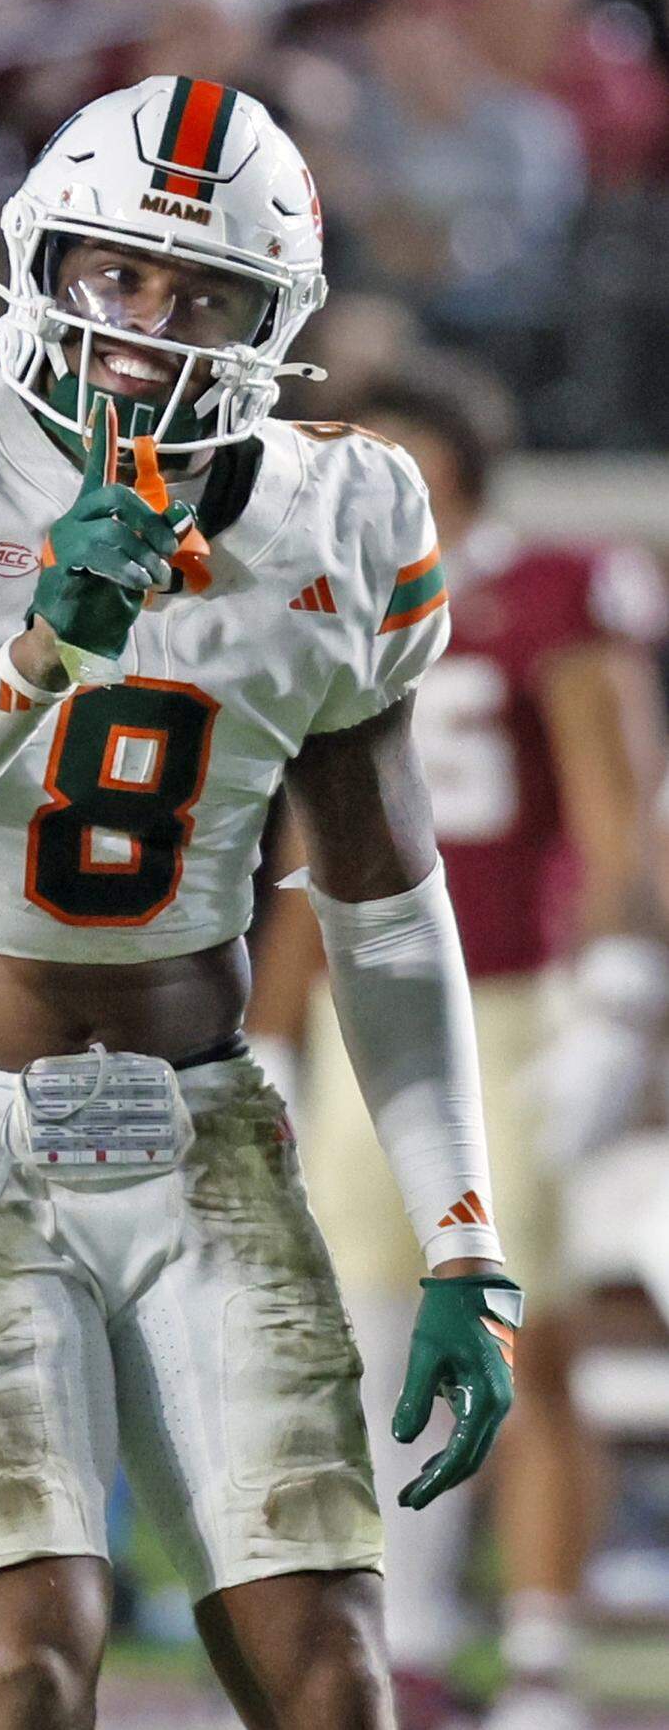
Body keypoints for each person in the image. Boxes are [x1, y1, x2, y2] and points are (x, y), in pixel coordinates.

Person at [0, 77, 523, 1730]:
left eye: (202, 294)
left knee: (334, 1684)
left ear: (279, 320)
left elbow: (387, 911)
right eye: (116, 274)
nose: (145, 325)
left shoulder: (352, 510)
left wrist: (466, 1242)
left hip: (202, 1126)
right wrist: (36, 654)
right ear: (42, 260)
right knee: (30, 1672)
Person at [247, 361, 669, 1730]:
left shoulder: (551, 583)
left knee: (513, 1334)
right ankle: (413, 1639)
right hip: (366, 1003)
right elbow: (311, 846)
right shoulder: (327, 613)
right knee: (368, 1338)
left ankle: (542, 1657)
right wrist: (269, 1034)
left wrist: (617, 988)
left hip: (513, 999)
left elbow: (617, 806)